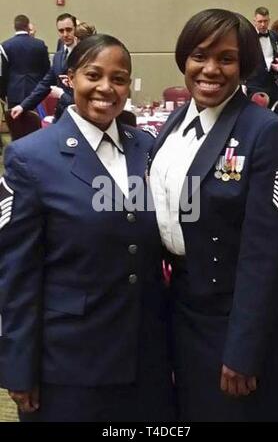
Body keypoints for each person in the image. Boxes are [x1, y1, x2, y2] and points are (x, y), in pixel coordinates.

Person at [0, 34, 174, 422]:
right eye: (93, 75)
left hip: (146, 357)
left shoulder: (146, 146)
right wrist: (18, 365)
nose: (106, 88)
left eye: (119, 78)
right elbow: (17, 273)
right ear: (69, 78)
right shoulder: (30, 157)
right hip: (70, 361)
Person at [150, 8, 278, 421]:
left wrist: (244, 349)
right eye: (199, 55)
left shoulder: (266, 132)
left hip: (230, 323)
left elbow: (267, 254)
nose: (210, 69)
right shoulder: (174, 122)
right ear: (184, 59)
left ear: (244, 65)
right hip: (182, 307)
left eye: (226, 58)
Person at [10, 13, 77, 121]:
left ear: (75, 29)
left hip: (78, 116)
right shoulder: (58, 56)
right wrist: (23, 106)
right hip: (61, 115)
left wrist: (61, 95)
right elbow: (45, 84)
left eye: (69, 30)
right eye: (61, 31)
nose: (65, 34)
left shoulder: (85, 55)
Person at [0, 14, 50, 108]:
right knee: (35, 121)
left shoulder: (5, 46)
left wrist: (2, 93)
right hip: (36, 92)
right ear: (27, 26)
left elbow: (3, 73)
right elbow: (46, 70)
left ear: (14, 27)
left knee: (16, 121)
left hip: (14, 92)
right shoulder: (40, 44)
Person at [245, 6, 278, 107]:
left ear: (269, 20)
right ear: (254, 21)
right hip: (254, 84)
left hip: (272, 83)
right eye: (260, 21)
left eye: (265, 21)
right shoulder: (247, 37)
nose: (263, 24)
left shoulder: (275, 36)